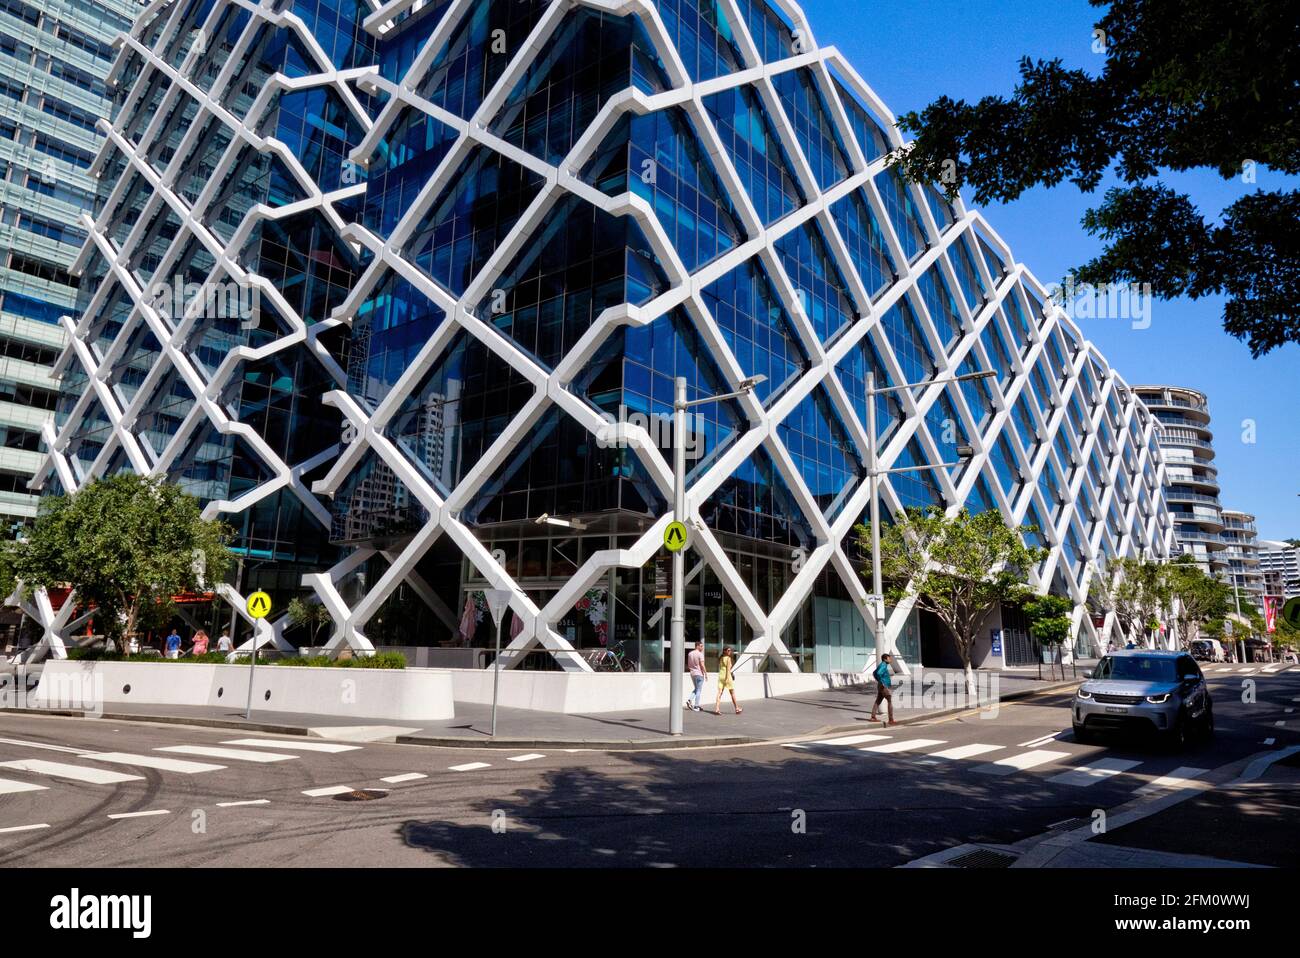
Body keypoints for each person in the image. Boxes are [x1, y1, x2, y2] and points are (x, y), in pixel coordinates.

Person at [713, 645, 741, 715]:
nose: (730, 652)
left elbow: (722, 668)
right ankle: (737, 708)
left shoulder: (721, 658)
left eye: (730, 650)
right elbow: (728, 670)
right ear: (724, 651)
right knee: (732, 693)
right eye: (728, 650)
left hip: (721, 676)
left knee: (719, 693)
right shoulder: (728, 658)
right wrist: (727, 678)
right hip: (727, 677)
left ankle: (717, 709)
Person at [869, 653, 896, 726]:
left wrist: (879, 681)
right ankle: (891, 720)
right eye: (889, 658)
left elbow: (874, 673)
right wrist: (882, 682)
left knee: (878, 701)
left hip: (881, 685)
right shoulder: (883, 665)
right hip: (883, 686)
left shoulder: (882, 664)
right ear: (885, 659)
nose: (890, 659)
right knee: (889, 700)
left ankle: (873, 717)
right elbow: (878, 673)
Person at [686, 640, 706, 712]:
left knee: (696, 688)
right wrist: (706, 673)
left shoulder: (690, 654)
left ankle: (689, 700)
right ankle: (696, 706)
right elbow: (702, 665)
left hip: (692, 673)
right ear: (697, 646)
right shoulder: (700, 654)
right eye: (701, 646)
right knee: (699, 690)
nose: (702, 647)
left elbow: (688, 664)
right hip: (699, 673)